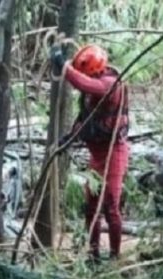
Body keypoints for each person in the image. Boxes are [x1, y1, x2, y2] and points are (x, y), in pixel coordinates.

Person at [52, 44, 130, 260]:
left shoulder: (109, 84)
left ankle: (115, 255)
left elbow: (82, 82)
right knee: (91, 206)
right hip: (97, 156)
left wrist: (63, 67)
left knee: (111, 206)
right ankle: (93, 253)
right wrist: (68, 139)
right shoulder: (90, 93)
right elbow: (85, 120)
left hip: (114, 153)